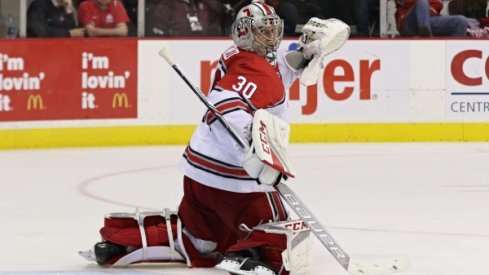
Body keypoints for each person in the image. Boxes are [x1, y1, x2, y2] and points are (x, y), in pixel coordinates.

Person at [79, 1, 349, 274]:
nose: (273, 37)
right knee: (280, 233)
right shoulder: (255, 69)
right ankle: (252, 254)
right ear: (246, 34)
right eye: (264, 31)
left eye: (273, 30)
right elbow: (225, 104)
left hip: (199, 177)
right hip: (235, 180)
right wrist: (257, 146)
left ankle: (123, 243)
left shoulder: (238, 54)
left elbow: (280, 65)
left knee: (202, 238)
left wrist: (304, 51)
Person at [145, 0, 225, 37]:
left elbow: (220, 11)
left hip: (204, 47)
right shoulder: (168, 3)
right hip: (177, 48)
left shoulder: (203, 4)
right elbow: (156, 27)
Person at [395, 0, 468, 37]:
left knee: (461, 21)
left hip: (431, 20)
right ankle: (427, 39)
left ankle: (451, 54)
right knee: (422, 2)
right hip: (410, 22)